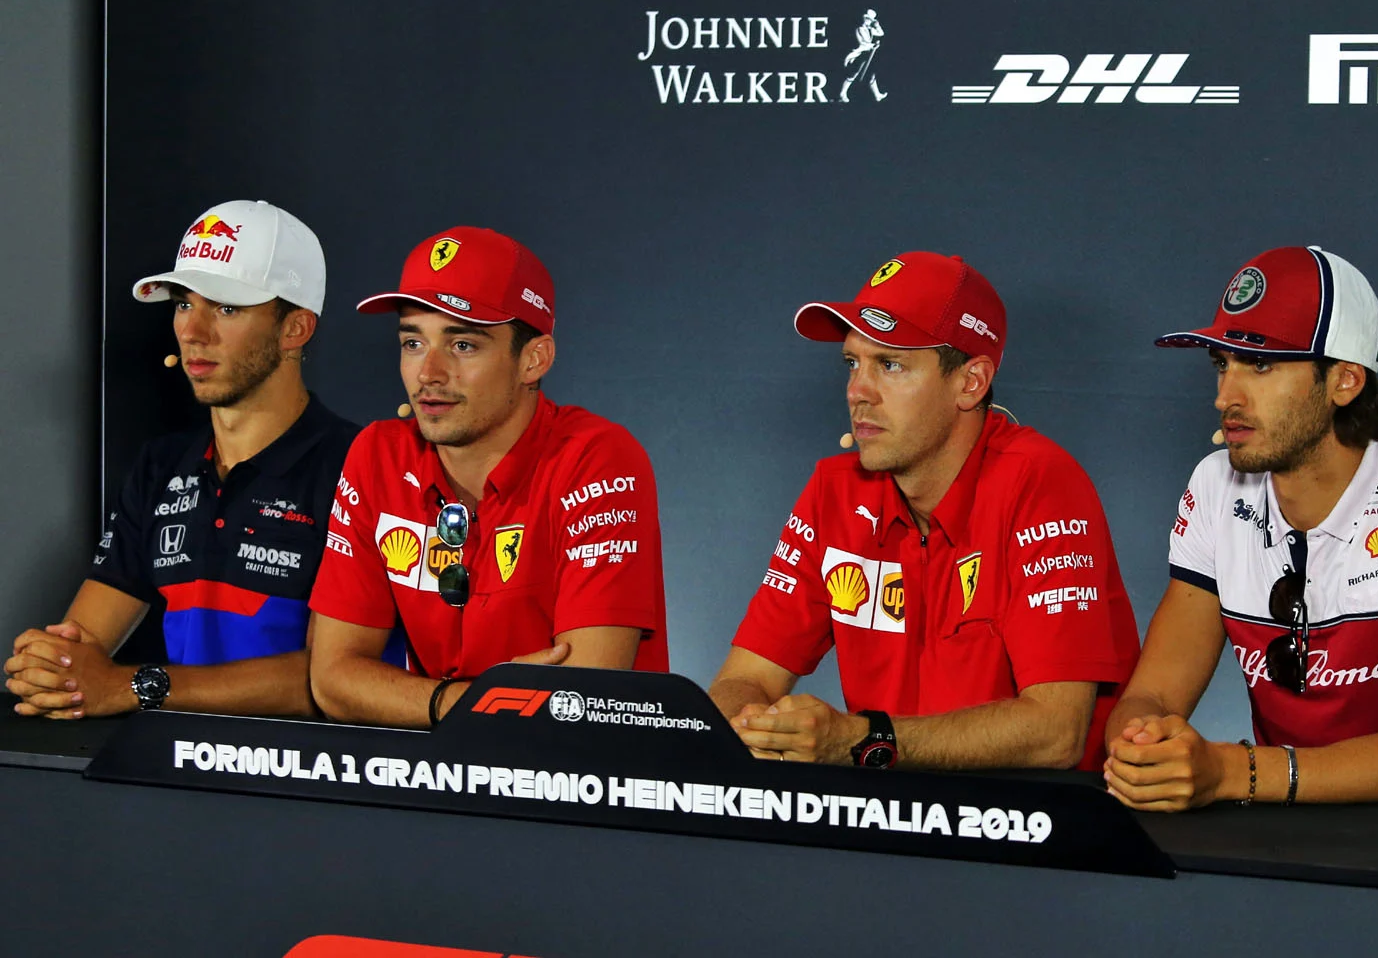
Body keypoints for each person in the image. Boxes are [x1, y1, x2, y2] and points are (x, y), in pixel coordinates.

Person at [1105, 246, 1378, 810]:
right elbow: (1152, 694)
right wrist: (1142, 745)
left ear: (1346, 381)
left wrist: (1234, 772)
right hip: (1292, 844)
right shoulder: (1215, 485)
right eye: (1221, 364)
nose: (1224, 396)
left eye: (1259, 364)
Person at [708, 252, 1139, 769]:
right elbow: (744, 680)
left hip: (1041, 832)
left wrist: (861, 742)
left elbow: (1055, 731)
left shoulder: (1041, 482)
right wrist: (752, 728)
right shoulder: (834, 490)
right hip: (890, 822)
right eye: (852, 363)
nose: (857, 393)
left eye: (890, 365)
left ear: (970, 383)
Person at [6, 201, 356, 719]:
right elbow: (78, 645)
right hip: (180, 784)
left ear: (295, 330)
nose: (194, 331)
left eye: (227, 308)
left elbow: (340, 679)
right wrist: (50, 668)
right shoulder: (163, 464)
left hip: (313, 786)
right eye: (185, 304)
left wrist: (137, 685)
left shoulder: (361, 465)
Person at [307, 227, 668, 728]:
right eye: (413, 342)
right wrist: (470, 702)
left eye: (463, 345)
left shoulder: (597, 458)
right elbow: (333, 681)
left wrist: (424, 703)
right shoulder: (377, 454)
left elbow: (582, 698)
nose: (428, 373)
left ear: (533, 359)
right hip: (440, 785)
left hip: (582, 791)